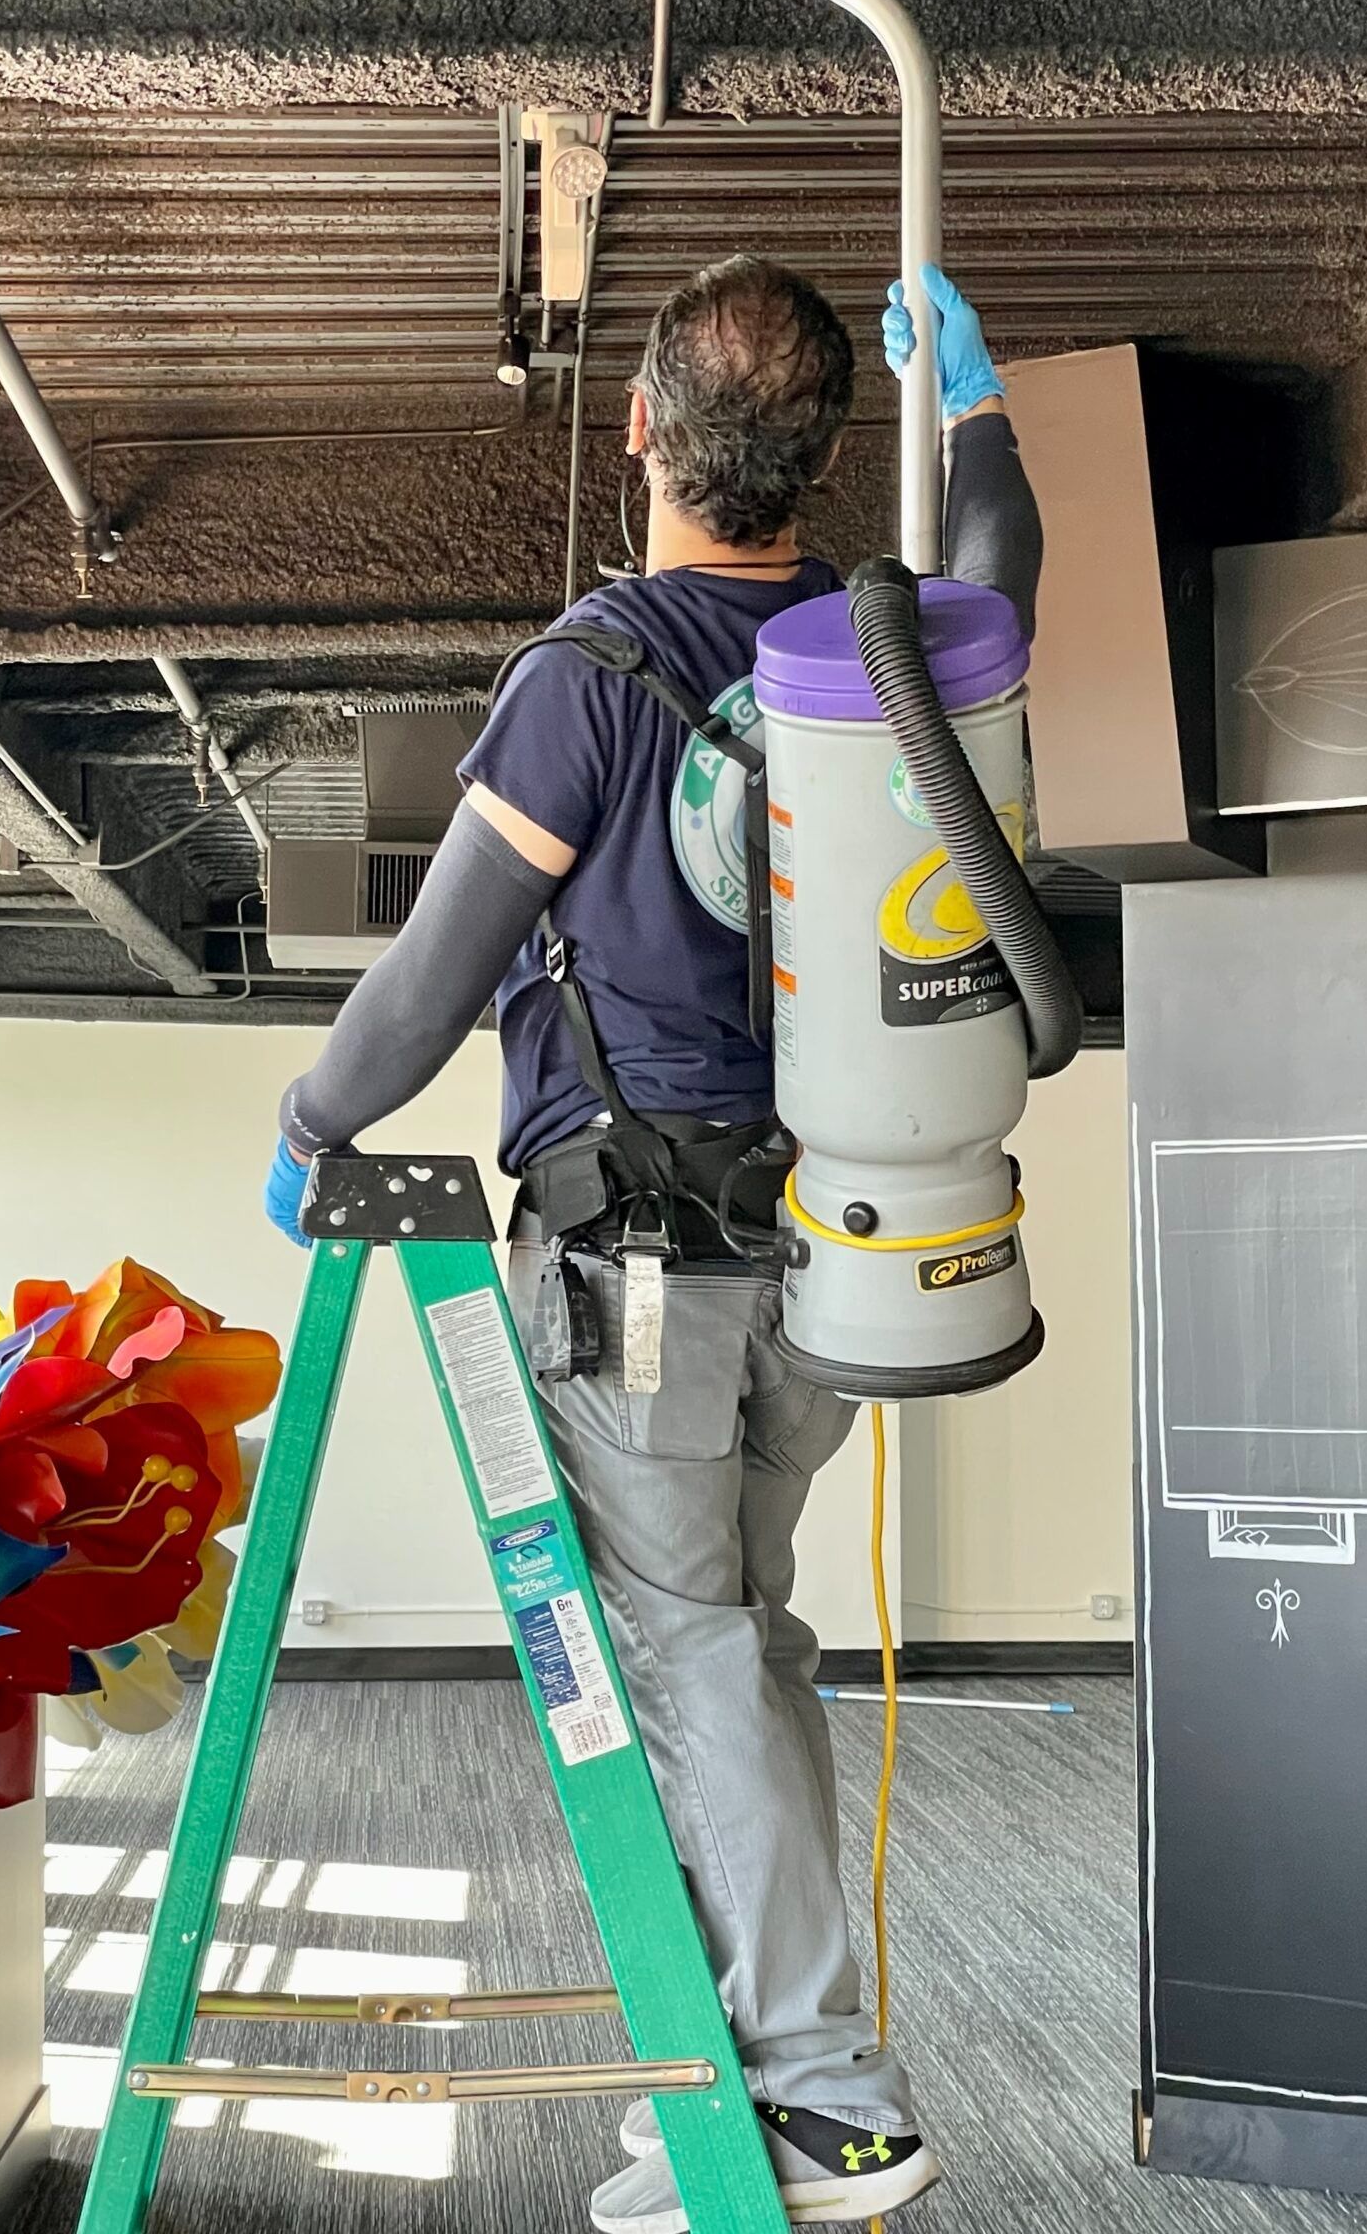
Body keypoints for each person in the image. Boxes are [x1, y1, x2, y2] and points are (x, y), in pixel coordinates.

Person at [265, 255, 1045, 2231]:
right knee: (740, 1643)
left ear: (637, 431)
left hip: (634, 1282)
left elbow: (435, 973)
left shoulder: (592, 677)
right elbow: (998, 577)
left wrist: (308, 1124)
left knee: (680, 1653)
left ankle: (826, 2098)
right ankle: (731, 2094)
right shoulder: (878, 664)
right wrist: (989, 413)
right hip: (836, 1261)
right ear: (819, 458)